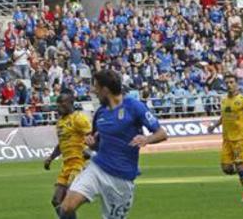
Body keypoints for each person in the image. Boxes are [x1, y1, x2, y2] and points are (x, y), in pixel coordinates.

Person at [59, 69, 167, 219]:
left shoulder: (134, 106)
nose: (94, 92)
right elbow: (97, 142)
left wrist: (146, 139)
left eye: (96, 88)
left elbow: (162, 133)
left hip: (121, 179)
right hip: (97, 169)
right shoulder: (100, 113)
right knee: (66, 207)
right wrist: (92, 144)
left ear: (105, 90)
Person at [207, 73, 243, 203]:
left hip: (240, 139)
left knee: (239, 165)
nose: (229, 85)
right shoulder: (224, 100)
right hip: (226, 139)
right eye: (227, 83)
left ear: (236, 84)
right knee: (226, 169)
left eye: (231, 82)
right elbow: (224, 117)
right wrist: (214, 125)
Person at [44, 92, 91, 218]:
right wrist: (51, 157)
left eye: (62, 104)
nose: (58, 107)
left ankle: (90, 191)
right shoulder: (60, 123)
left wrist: (89, 151)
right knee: (56, 201)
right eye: (57, 104)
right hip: (67, 165)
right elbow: (61, 144)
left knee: (69, 198)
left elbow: (92, 137)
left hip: (79, 162)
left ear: (70, 103)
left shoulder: (79, 118)